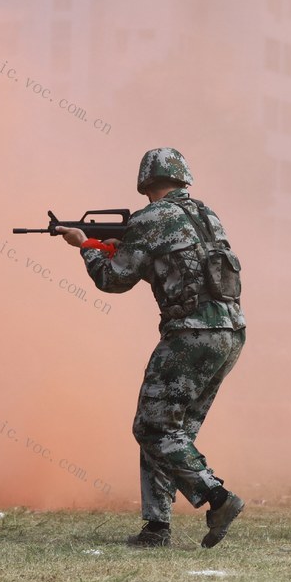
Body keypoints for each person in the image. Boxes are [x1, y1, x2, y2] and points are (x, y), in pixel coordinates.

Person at [56, 147, 246, 548]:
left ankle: (218, 497)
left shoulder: (149, 218)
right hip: (230, 334)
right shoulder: (209, 216)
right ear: (183, 178)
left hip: (189, 335)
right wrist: (119, 243)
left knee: (152, 427)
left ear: (145, 182)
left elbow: (114, 279)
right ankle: (157, 527)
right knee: (170, 431)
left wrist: (85, 246)